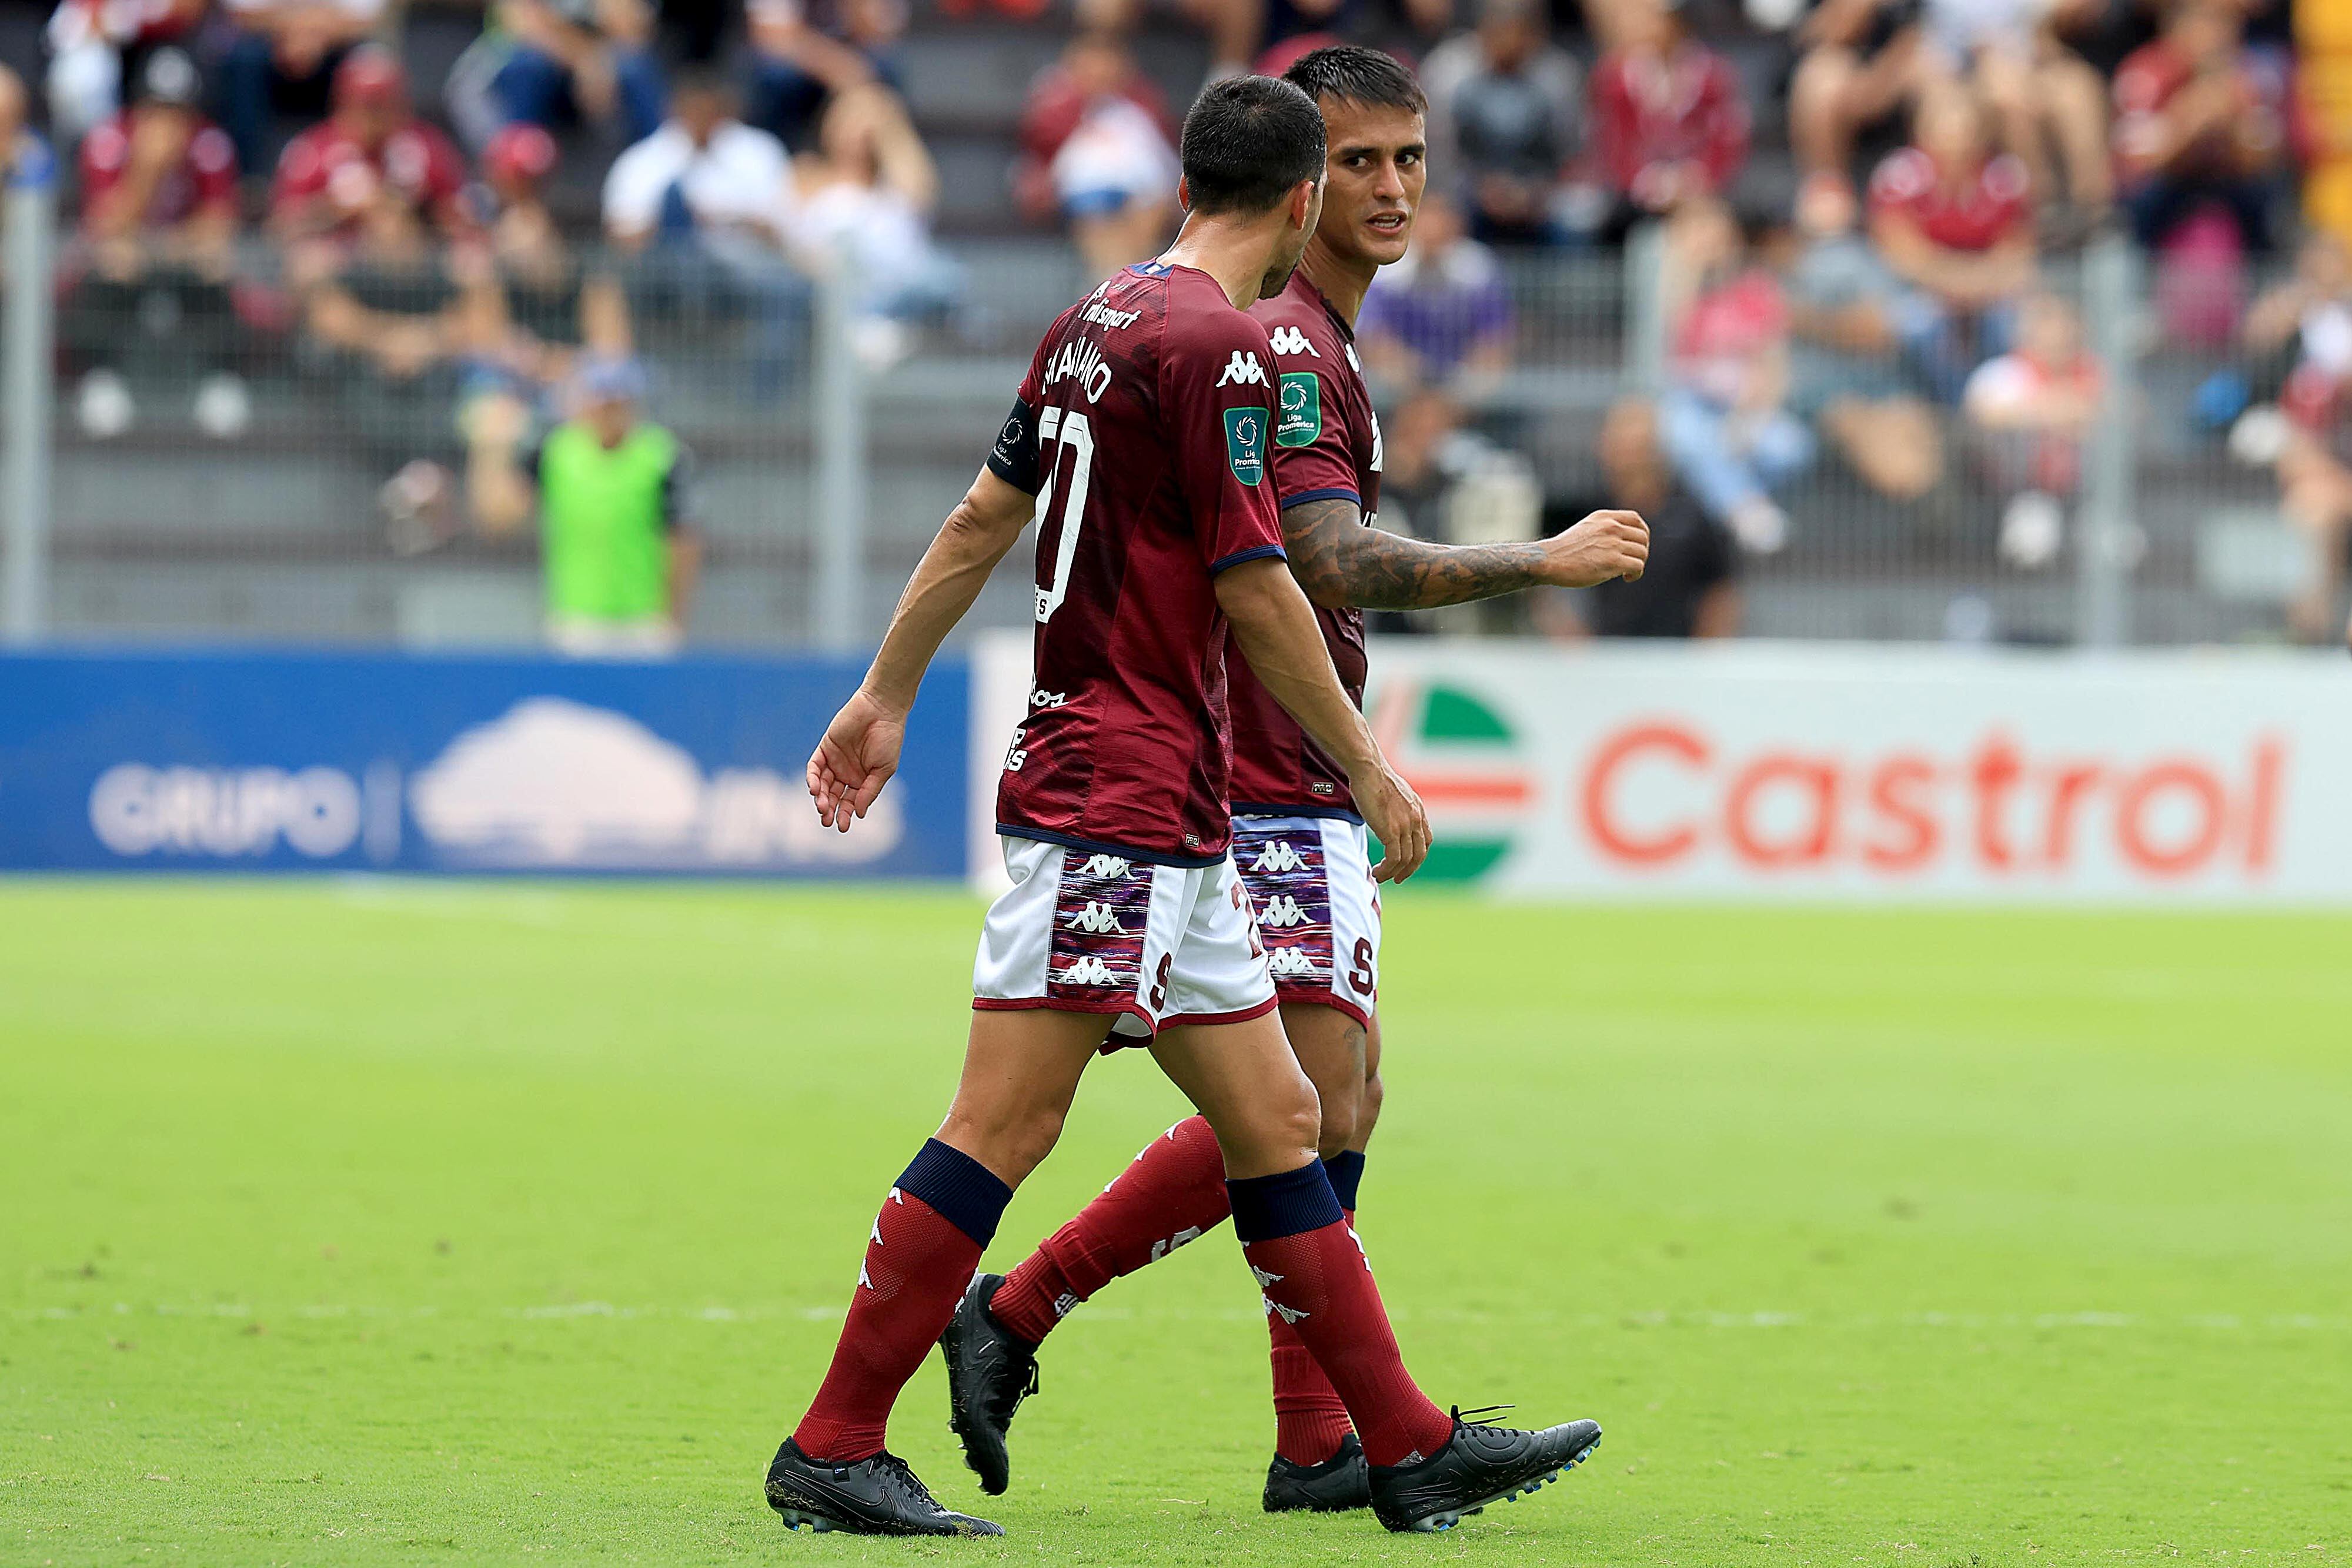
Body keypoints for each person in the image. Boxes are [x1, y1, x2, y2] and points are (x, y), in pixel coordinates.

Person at [770, 74, 1606, 1540]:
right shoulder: (1224, 348)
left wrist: (885, 693)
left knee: (1285, 1115)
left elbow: (983, 512)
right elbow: (1263, 583)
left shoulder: (1098, 317)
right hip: (1119, 787)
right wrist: (1363, 763)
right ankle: (833, 1441)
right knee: (1006, 1124)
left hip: (1177, 805)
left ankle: (1404, 1445)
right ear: (1298, 200)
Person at [66, 46, 247, 442]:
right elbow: (103, 225)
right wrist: (146, 169)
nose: (167, 122)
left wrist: (164, 247)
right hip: (129, 261)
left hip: (178, 260)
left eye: (177, 111)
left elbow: (219, 225)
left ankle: (221, 379)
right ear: (138, 108)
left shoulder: (209, 143)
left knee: (216, 264)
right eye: (156, 109)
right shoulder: (109, 140)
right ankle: (102, 376)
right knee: (111, 261)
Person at [467, 356, 700, 655]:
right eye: (601, 399)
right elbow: (499, 519)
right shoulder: (555, 450)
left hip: (643, 622)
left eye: (617, 400)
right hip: (575, 623)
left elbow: (683, 542)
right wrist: (491, 449)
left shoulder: (663, 456)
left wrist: (673, 617)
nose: (608, 411)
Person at [1656, 199, 1813, 554]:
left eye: (1717, 236)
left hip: (1747, 403)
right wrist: (1692, 271)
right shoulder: (1672, 287)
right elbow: (1669, 342)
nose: (1710, 245)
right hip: (1692, 402)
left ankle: (1726, 513)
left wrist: (1752, 412)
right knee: (1687, 438)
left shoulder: (1757, 288)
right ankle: (1748, 515)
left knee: (1791, 449)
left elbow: (1776, 364)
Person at [1785, 172, 1947, 503]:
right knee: (1872, 439)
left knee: (1914, 425)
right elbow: (1789, 317)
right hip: (1823, 396)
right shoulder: (1789, 260)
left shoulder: (1872, 259)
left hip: (1884, 387)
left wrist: (1816, 323)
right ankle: (1912, 518)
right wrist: (1842, 327)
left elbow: (1880, 332)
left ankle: (1929, 521)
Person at [1867, 83, 2036, 403]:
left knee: (2015, 325)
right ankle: (1940, 411)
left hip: (1988, 298)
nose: (1955, 139)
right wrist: (1964, 284)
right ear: (1923, 130)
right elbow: (1904, 257)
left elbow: (2016, 260)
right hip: (1919, 292)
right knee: (1916, 324)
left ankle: (1984, 414)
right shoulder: (1900, 176)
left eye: (1965, 127)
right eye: (1945, 126)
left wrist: (1968, 288)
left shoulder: (2006, 177)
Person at [783, 84, 961, 365]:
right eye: (849, 119)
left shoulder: (895, 187)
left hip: (900, 294)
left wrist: (887, 124)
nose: (858, 130)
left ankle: (878, 335)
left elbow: (921, 193)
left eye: (865, 121)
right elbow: (790, 240)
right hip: (833, 293)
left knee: (944, 277)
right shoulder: (809, 175)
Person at [1538, 396, 1739, 638]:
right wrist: (1568, 636)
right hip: (1604, 658)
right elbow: (1542, 571)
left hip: (1676, 660)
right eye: (1617, 444)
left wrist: (1706, 654)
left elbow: (1720, 588)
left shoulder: (1693, 512)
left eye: (1634, 447)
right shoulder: (1588, 512)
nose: (1624, 457)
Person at [269, 47, 473, 267]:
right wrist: (337, 208)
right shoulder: (312, 150)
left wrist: (420, 208)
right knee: (311, 262)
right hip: (342, 262)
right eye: (366, 107)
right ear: (343, 104)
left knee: (471, 261)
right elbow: (281, 227)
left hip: (420, 265)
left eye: (384, 106)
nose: (375, 117)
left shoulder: (427, 146)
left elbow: (465, 220)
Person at [2112, 0, 2288, 252]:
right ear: (2176, 28)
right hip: (2166, 190)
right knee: (2141, 202)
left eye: (2224, 24)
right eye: (2207, 22)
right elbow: (2137, 166)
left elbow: (2267, 158)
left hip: (2230, 185)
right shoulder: (2145, 72)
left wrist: (2232, 128)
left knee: (2267, 198)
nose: (2218, 35)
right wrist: (2192, 120)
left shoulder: (2249, 74)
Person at [1017, 29, 1180, 280]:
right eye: (1092, 63)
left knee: (1147, 213)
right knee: (1100, 221)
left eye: (1108, 63)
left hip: (1143, 193)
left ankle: (1131, 287)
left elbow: (1162, 151)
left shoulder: (1141, 103)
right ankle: (1111, 286)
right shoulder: (1056, 102)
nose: (1101, 71)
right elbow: (1040, 154)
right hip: (1085, 194)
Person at [1419, 0, 1583, 244]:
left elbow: (1572, 153)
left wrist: (1534, 193)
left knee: (1578, 218)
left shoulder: (1559, 77)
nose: (1510, 42)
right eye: (1501, 31)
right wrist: (1481, 190)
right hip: (1464, 192)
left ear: (1536, 36)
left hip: (1541, 196)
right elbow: (1436, 152)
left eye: (1519, 33)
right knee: (1439, 218)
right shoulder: (1449, 72)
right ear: (1482, 31)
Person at [1583, 0, 1750, 238]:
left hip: (1700, 192)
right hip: (1634, 197)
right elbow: (1612, 144)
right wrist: (1646, 182)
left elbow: (1727, 139)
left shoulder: (1713, 76)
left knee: (1710, 229)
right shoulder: (1617, 80)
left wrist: (1696, 179)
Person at [1961, 289, 2100, 569]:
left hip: (2085, 495)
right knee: (2033, 541)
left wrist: (2066, 408)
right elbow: (1982, 414)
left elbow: (2126, 412)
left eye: (2066, 321)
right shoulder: (2005, 371)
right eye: (2047, 321)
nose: (2059, 332)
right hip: (2018, 493)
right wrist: (2051, 409)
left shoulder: (2092, 371)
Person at [445, 0, 667, 155]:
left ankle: (657, 165)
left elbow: (633, 32)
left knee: (636, 67)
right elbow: (524, 27)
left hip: (583, 78)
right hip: (497, 81)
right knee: (528, 67)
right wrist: (585, 60)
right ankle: (524, 160)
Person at [1356, 189, 1515, 403]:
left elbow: (1496, 338)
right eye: (1426, 224)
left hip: (1464, 389)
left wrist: (1466, 390)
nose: (1432, 234)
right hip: (1398, 388)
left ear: (1456, 228)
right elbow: (1372, 337)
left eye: (1441, 225)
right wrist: (1411, 383)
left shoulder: (1478, 271)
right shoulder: (1386, 273)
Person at [215, 0, 385, 176]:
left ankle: (357, 162)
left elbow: (366, 18)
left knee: (369, 67)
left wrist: (313, 35)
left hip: (334, 44)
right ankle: (247, 175)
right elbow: (240, 13)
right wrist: (292, 33)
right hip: (269, 43)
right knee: (245, 59)